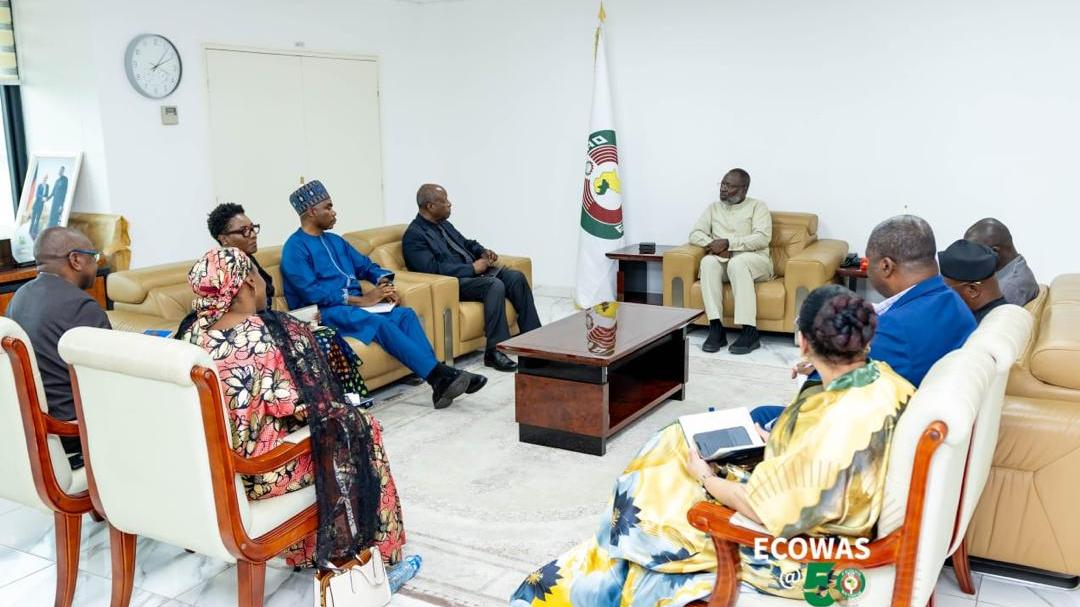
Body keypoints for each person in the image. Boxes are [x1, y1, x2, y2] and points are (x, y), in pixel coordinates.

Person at [511, 286, 913, 605]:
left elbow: (764, 509)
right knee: (673, 440)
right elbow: (821, 459)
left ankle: (608, 560)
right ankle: (618, 540)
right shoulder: (882, 379)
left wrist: (706, 479)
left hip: (810, 557)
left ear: (803, 340)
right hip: (823, 504)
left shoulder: (831, 427)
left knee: (668, 474)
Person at [181, 247, 404, 567]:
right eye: (257, 274)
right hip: (260, 472)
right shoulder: (261, 334)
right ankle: (373, 554)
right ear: (246, 286)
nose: (262, 282)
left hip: (210, 469)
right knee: (361, 428)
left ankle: (306, 550)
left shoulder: (192, 334)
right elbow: (300, 405)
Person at [750, 215, 975, 430]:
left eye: (869, 262)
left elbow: (827, 403)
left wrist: (821, 362)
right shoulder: (952, 301)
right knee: (764, 412)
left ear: (886, 266)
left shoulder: (895, 330)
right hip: (916, 413)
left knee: (757, 419)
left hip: (862, 434)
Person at [281, 180, 486, 409]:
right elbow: (311, 292)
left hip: (355, 307)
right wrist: (362, 300)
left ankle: (439, 382)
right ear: (311, 211)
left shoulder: (335, 241)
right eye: (328, 207)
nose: (334, 212)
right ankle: (440, 374)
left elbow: (366, 265)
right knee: (378, 323)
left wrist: (384, 284)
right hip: (326, 312)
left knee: (405, 315)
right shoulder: (294, 248)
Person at [402, 184, 541, 372]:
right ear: (429, 206)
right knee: (494, 285)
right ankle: (494, 352)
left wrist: (482, 252)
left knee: (516, 277)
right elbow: (431, 269)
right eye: (444, 201)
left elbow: (466, 243)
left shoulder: (443, 224)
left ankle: (533, 343)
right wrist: (471, 269)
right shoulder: (414, 236)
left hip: (475, 274)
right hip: (454, 283)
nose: (450, 204)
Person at [4, 227, 110, 469]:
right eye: (93, 257)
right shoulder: (81, 306)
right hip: (74, 433)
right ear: (76, 260)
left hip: (33, 430)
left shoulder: (19, 298)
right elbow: (110, 380)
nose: (96, 264)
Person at [689, 169, 773, 355]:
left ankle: (750, 331)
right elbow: (695, 234)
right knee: (708, 263)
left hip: (756, 260)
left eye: (730, 186)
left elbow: (762, 238)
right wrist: (714, 245)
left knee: (738, 263)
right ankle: (716, 328)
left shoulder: (758, 207)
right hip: (723, 260)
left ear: (743, 189)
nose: (724, 189)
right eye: (722, 184)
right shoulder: (713, 208)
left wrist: (729, 244)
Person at [964, 218, 1039, 306]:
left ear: (994, 252)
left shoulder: (1009, 287)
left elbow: (988, 318)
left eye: (975, 253)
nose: (971, 258)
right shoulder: (1009, 269)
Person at [939, 239, 1008, 323]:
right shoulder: (1010, 314)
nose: (942, 293)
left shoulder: (977, 330)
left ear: (972, 290)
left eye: (946, 287)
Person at [30, 175, 50, 239]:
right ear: (42, 178)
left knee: (38, 219)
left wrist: (46, 198)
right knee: (33, 219)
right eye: (44, 178)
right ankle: (30, 231)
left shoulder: (47, 186)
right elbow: (37, 194)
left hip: (41, 205)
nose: (45, 179)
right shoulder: (39, 185)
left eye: (46, 178)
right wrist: (42, 198)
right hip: (36, 204)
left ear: (47, 179)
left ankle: (34, 233)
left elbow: (47, 195)